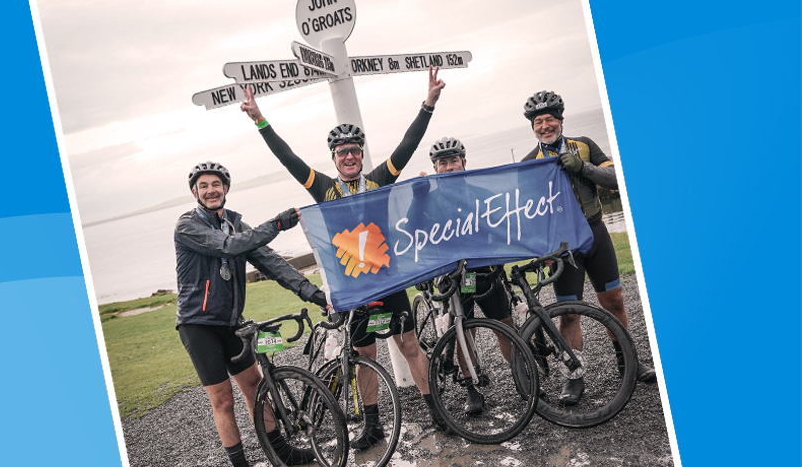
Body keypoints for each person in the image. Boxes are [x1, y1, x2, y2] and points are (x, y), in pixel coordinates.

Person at [239, 67, 450, 445]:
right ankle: (373, 425)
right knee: (363, 355)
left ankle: (437, 412)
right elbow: (288, 157)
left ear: (361, 154)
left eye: (355, 151)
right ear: (334, 158)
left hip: (389, 280)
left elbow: (408, 145)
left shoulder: (378, 180)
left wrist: (428, 104)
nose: (350, 156)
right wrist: (260, 120)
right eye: (343, 152)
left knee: (411, 346)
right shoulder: (322, 188)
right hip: (355, 289)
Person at [174, 161, 329, 467]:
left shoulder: (236, 224)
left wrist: (315, 295)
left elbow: (273, 264)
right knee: (223, 399)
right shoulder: (187, 226)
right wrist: (277, 224)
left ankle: (281, 452)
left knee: (256, 387)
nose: (210, 190)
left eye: (215, 184)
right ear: (195, 192)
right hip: (198, 325)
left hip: (232, 323)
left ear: (226, 189)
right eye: (203, 186)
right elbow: (229, 247)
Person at [520, 91, 656, 406]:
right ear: (533, 127)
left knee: (615, 301)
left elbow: (615, 178)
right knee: (568, 313)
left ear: (561, 120)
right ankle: (574, 376)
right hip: (563, 247)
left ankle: (628, 363)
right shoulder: (529, 164)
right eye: (538, 121)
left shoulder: (584, 145)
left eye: (550, 119)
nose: (545, 125)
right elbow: (526, 214)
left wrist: (582, 167)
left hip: (596, 233)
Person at [417, 137, 515, 416]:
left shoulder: (481, 192)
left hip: (485, 272)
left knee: (505, 325)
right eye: (442, 163)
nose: (449, 167)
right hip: (452, 277)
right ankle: (472, 389)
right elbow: (413, 228)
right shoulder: (430, 200)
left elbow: (502, 226)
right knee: (463, 331)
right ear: (435, 168)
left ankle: (522, 378)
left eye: (453, 160)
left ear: (464, 162)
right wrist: (417, 197)